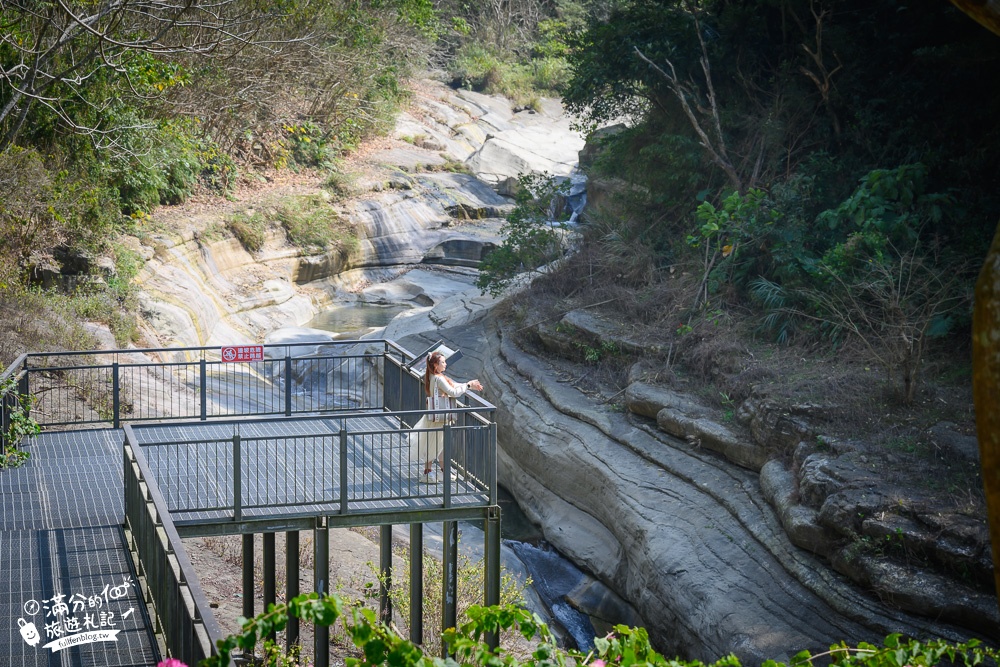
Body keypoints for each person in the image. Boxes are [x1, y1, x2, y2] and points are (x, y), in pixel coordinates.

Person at [410, 351, 483, 483]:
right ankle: (427, 474)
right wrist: (468, 385)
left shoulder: (434, 376)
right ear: (436, 365)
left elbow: (453, 386)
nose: (446, 364)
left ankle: (443, 472)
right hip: (439, 417)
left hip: (437, 416)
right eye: (443, 362)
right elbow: (453, 392)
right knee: (434, 444)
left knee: (440, 445)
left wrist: (469, 386)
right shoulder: (438, 378)